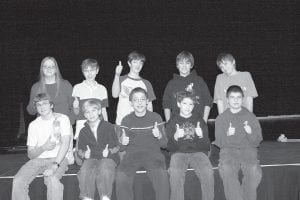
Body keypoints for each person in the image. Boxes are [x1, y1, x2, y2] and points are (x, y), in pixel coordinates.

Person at [12, 93, 72, 200]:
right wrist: (43, 147)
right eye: (38, 105)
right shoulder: (33, 125)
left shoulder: (62, 119)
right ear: (36, 108)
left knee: (52, 179)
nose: (42, 107)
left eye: (45, 103)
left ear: (51, 105)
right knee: (18, 180)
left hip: (58, 158)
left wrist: (55, 165)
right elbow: (30, 155)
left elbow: (65, 144)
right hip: (37, 160)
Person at [115, 87, 169, 200]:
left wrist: (158, 135)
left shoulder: (156, 117)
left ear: (147, 101)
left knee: (162, 176)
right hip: (132, 156)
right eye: (136, 100)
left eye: (142, 99)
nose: (139, 102)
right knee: (121, 176)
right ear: (131, 103)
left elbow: (165, 144)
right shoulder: (126, 120)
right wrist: (122, 142)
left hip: (153, 156)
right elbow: (120, 147)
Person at [214, 85, 263, 200]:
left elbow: (257, 142)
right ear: (227, 100)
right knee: (226, 170)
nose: (235, 100)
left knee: (254, 172)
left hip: (248, 150)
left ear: (243, 99)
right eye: (232, 97)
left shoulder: (250, 117)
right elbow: (220, 143)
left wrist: (250, 132)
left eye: (238, 97)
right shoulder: (221, 118)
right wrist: (228, 135)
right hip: (229, 151)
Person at [166, 91, 214, 200]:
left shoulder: (199, 120)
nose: (188, 107)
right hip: (178, 153)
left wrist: (201, 136)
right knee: (175, 173)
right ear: (178, 104)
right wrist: (175, 137)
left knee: (208, 171)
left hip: (198, 153)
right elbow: (168, 147)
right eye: (184, 103)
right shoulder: (172, 122)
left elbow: (206, 146)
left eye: (191, 104)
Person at [76, 100, 119, 200]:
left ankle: (105, 196)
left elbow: (116, 145)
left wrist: (109, 152)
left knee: (105, 167)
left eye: (93, 110)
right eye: (87, 112)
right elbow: (80, 149)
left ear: (99, 111)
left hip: (108, 157)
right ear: (84, 115)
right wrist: (84, 155)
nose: (90, 114)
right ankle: (87, 196)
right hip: (91, 157)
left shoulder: (108, 126)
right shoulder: (83, 131)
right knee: (85, 169)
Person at [163, 51, 212, 123]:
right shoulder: (171, 83)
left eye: (187, 63)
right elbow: (166, 104)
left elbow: (208, 101)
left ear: (191, 65)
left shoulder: (199, 81)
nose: (184, 66)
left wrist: (204, 121)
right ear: (177, 65)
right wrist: (169, 124)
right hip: (177, 125)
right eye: (181, 63)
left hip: (197, 124)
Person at [26, 56, 75, 125]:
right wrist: (36, 106)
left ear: (56, 69)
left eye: (52, 66)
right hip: (43, 127)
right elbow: (31, 111)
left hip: (64, 126)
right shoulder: (36, 87)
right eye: (45, 66)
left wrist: (69, 123)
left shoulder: (66, 84)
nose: (49, 69)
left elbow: (74, 106)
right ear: (41, 69)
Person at [112, 51, 156, 125]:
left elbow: (149, 106)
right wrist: (117, 75)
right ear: (129, 63)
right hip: (121, 123)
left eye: (140, 63)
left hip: (140, 124)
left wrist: (149, 123)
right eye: (135, 62)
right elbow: (114, 95)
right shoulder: (121, 79)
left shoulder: (146, 83)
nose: (138, 65)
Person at [72, 58, 109, 139]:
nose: (89, 73)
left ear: (97, 71)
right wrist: (75, 107)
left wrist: (107, 127)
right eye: (86, 70)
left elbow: (103, 111)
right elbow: (76, 113)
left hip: (99, 128)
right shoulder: (77, 88)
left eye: (92, 70)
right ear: (82, 72)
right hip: (82, 128)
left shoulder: (102, 89)